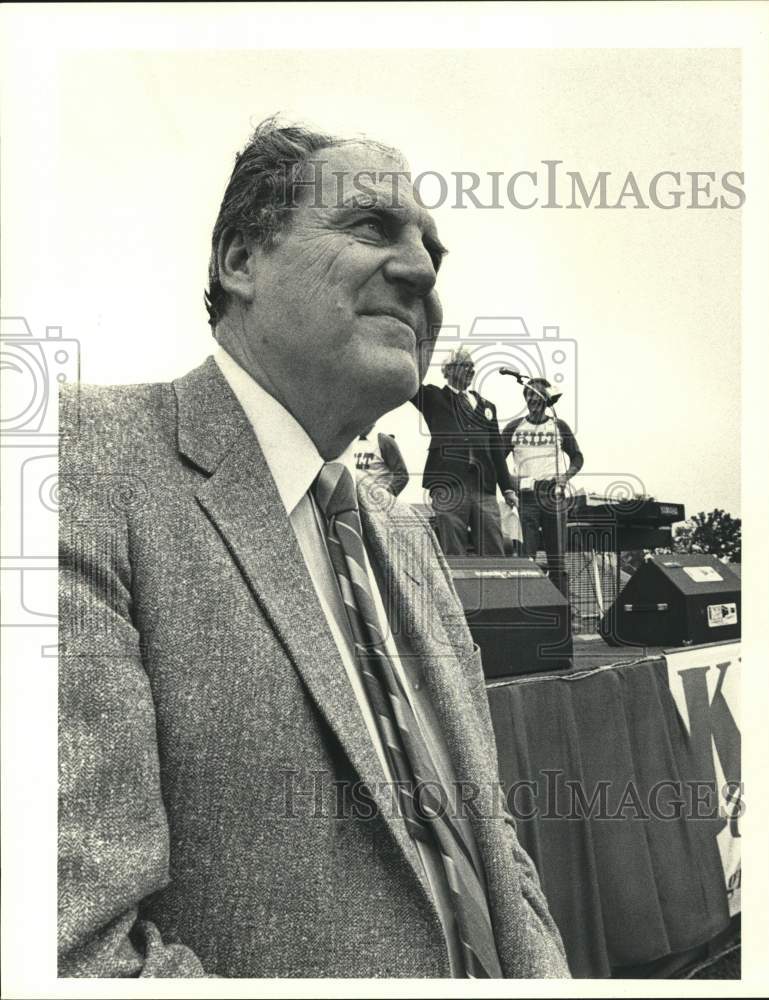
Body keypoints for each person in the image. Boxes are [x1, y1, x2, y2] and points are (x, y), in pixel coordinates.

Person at [58, 118, 568, 979]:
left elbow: (497, 852)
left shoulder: (407, 541)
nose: (419, 271)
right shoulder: (82, 460)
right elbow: (72, 949)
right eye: (371, 227)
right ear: (241, 261)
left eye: (431, 250)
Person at [412, 348, 517, 556]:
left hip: (483, 486)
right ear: (449, 370)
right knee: (453, 547)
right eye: (465, 366)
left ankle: (494, 586)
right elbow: (409, 382)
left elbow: (497, 450)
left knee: (493, 544)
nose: (471, 370)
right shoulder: (433, 397)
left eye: (472, 367)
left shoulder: (487, 407)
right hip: (449, 483)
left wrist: (507, 488)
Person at [502, 378, 584, 597]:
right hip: (526, 496)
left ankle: (563, 614)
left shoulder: (558, 425)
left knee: (557, 558)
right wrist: (511, 482)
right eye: (528, 395)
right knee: (526, 557)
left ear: (546, 398)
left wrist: (566, 476)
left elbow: (577, 457)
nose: (532, 399)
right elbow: (496, 462)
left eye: (537, 395)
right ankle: (527, 609)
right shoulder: (514, 427)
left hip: (553, 495)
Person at [353, 424, 409, 497]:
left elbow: (402, 475)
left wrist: (385, 496)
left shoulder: (383, 440)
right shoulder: (351, 442)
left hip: (376, 501)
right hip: (356, 500)